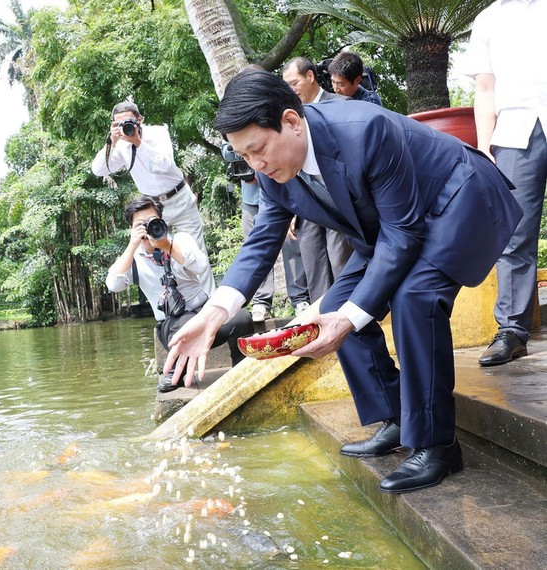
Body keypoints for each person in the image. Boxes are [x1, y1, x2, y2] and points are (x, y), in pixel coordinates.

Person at [164, 68, 522, 493]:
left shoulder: (364, 130)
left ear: (292, 122)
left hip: (458, 197)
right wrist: (213, 314)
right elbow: (262, 240)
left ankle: (437, 445)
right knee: (334, 307)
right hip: (394, 228)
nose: (255, 165)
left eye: (258, 149)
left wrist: (352, 319)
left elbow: (404, 234)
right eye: (244, 157)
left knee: (414, 299)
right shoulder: (270, 171)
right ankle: (396, 417)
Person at [465, 0, 547, 366]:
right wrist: (484, 145)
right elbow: (485, 88)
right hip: (515, 132)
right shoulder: (487, 19)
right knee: (515, 233)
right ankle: (512, 330)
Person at [106, 195, 253, 392]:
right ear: (131, 229)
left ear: (161, 221)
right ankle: (177, 370)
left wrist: (167, 246)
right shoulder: (132, 258)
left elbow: (201, 266)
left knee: (242, 316)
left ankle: (242, 365)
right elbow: (114, 284)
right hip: (172, 324)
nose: (147, 228)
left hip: (204, 312)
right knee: (183, 323)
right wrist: (132, 245)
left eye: (152, 222)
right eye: (140, 225)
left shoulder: (181, 240)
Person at [92, 101, 210, 257]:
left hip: (180, 198)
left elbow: (165, 164)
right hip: (153, 207)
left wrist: (138, 143)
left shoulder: (158, 133)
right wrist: (111, 143)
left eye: (129, 121)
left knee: (196, 252)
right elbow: (99, 170)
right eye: (119, 124)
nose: (125, 126)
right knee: (159, 256)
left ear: (140, 119)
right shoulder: (120, 145)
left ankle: (203, 281)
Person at [283, 57, 353, 301]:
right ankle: (321, 318)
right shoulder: (289, 117)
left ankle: (350, 317)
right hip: (309, 204)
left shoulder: (342, 104)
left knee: (340, 260)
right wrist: (292, 209)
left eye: (294, 83)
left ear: (310, 76)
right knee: (313, 262)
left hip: (339, 200)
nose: (291, 90)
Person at [221, 145, 310, 322]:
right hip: (251, 199)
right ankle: (261, 302)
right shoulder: (234, 140)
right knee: (255, 249)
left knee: (292, 245)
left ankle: (300, 299)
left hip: (281, 191)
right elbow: (226, 152)